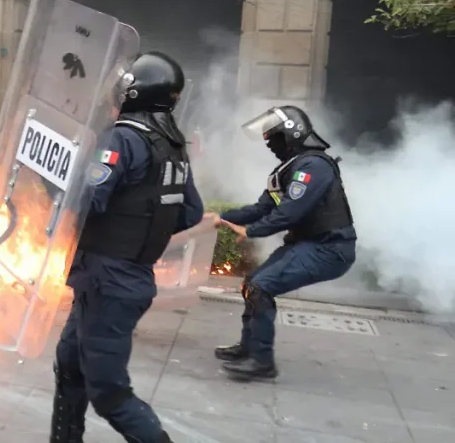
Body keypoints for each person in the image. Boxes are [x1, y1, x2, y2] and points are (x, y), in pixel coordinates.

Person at [50, 52, 205, 443]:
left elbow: (88, 202)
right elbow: (190, 212)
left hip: (108, 280)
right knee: (69, 364)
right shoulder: (172, 146)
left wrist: (52, 185)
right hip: (117, 278)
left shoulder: (122, 138)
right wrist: (140, 230)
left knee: (109, 394)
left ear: (132, 92)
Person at [210, 105, 356, 379]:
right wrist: (220, 217)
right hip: (308, 244)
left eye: (273, 138)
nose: (269, 144)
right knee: (251, 284)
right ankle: (249, 347)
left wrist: (252, 232)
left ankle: (262, 362)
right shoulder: (289, 169)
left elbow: (291, 211)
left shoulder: (314, 166)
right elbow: (260, 208)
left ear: (291, 135)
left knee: (260, 287)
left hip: (330, 248)